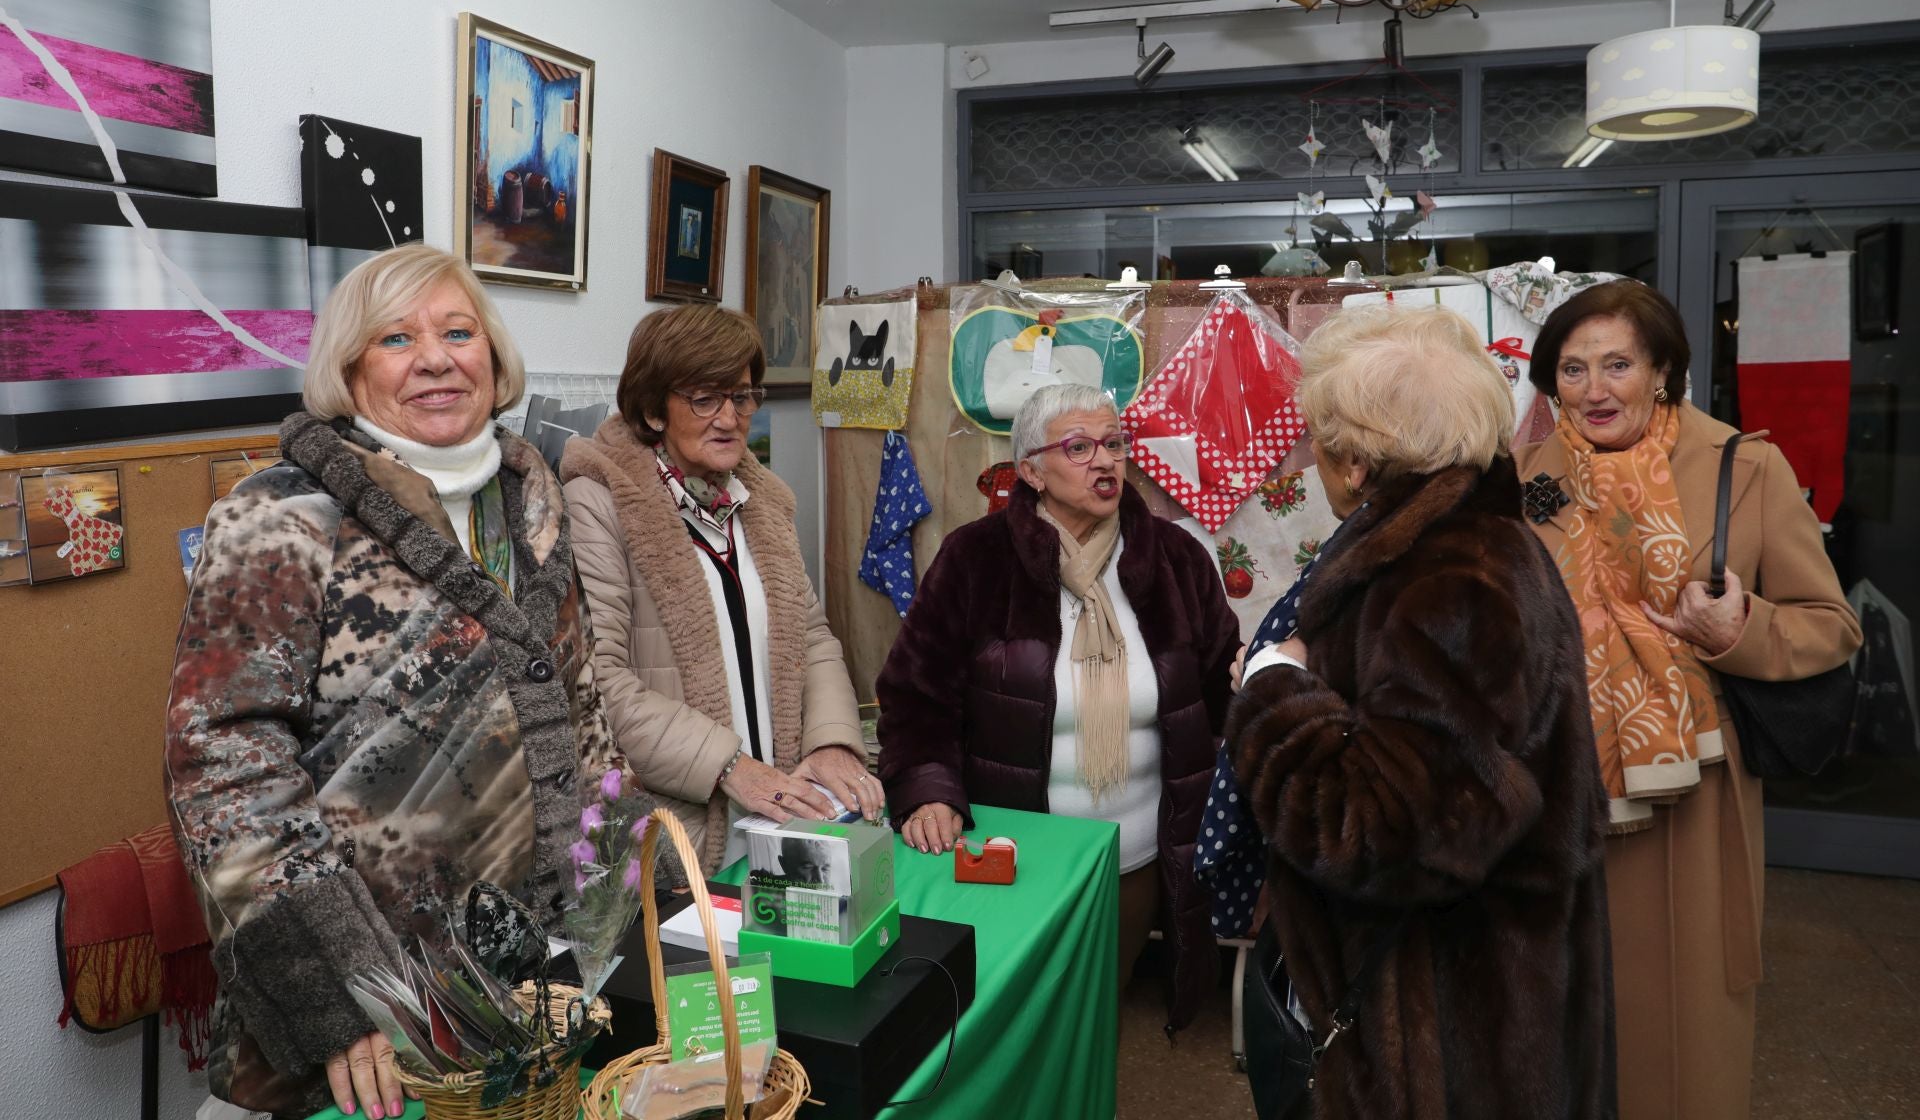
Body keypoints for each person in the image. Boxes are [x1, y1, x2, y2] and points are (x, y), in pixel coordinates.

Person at [166, 246, 633, 1119]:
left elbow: (581, 711)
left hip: (527, 995)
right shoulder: (279, 516)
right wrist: (344, 998)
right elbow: (225, 773)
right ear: (348, 372)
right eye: (395, 338)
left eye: (459, 332)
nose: (435, 357)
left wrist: (607, 904)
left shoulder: (533, 504)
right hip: (362, 1038)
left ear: (492, 358)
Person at [1227, 304, 1614, 1118]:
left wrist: (1273, 689)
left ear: (1361, 460)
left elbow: (1387, 835)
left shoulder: (1450, 580)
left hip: (1444, 1032)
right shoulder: (1468, 545)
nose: (1312, 462)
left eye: (1321, 441)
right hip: (1463, 998)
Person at [1514, 279, 1861, 1120]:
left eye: (1618, 365)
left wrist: (1736, 626)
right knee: (1554, 1027)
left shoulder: (1745, 465)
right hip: (1561, 788)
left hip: (1694, 797)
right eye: (1572, 369)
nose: (1594, 390)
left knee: (1681, 1034)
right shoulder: (1528, 476)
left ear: (1663, 370)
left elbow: (1832, 627)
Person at [876, 382, 1241, 1028]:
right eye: (1079, 447)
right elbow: (914, 694)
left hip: (1135, 858)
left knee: (1099, 1009)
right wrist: (927, 787)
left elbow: (1217, 691)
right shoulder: (975, 560)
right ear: (1031, 471)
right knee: (1010, 1017)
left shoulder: (1177, 560)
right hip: (1013, 855)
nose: (1105, 461)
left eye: (1113, 444)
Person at [560, 305, 878, 878]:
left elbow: (811, 638)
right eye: (704, 399)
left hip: (776, 809)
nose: (730, 418)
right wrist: (731, 767)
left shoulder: (760, 502)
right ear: (655, 409)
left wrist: (833, 743)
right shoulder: (600, 502)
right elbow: (600, 682)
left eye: (741, 397)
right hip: (676, 832)